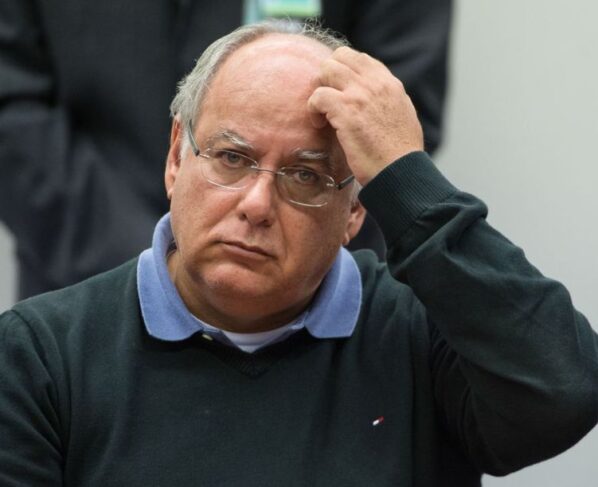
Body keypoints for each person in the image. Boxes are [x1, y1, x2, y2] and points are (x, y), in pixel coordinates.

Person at [1, 21, 596, 486]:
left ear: (356, 211)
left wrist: (409, 180)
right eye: (232, 158)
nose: (256, 204)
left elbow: (565, 392)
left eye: (305, 176)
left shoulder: (419, 335)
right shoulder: (39, 356)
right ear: (178, 155)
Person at [0, 0, 452, 300]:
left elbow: (390, 120)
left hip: (307, 319)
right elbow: (12, 105)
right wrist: (162, 269)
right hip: (80, 279)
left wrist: (279, 280)